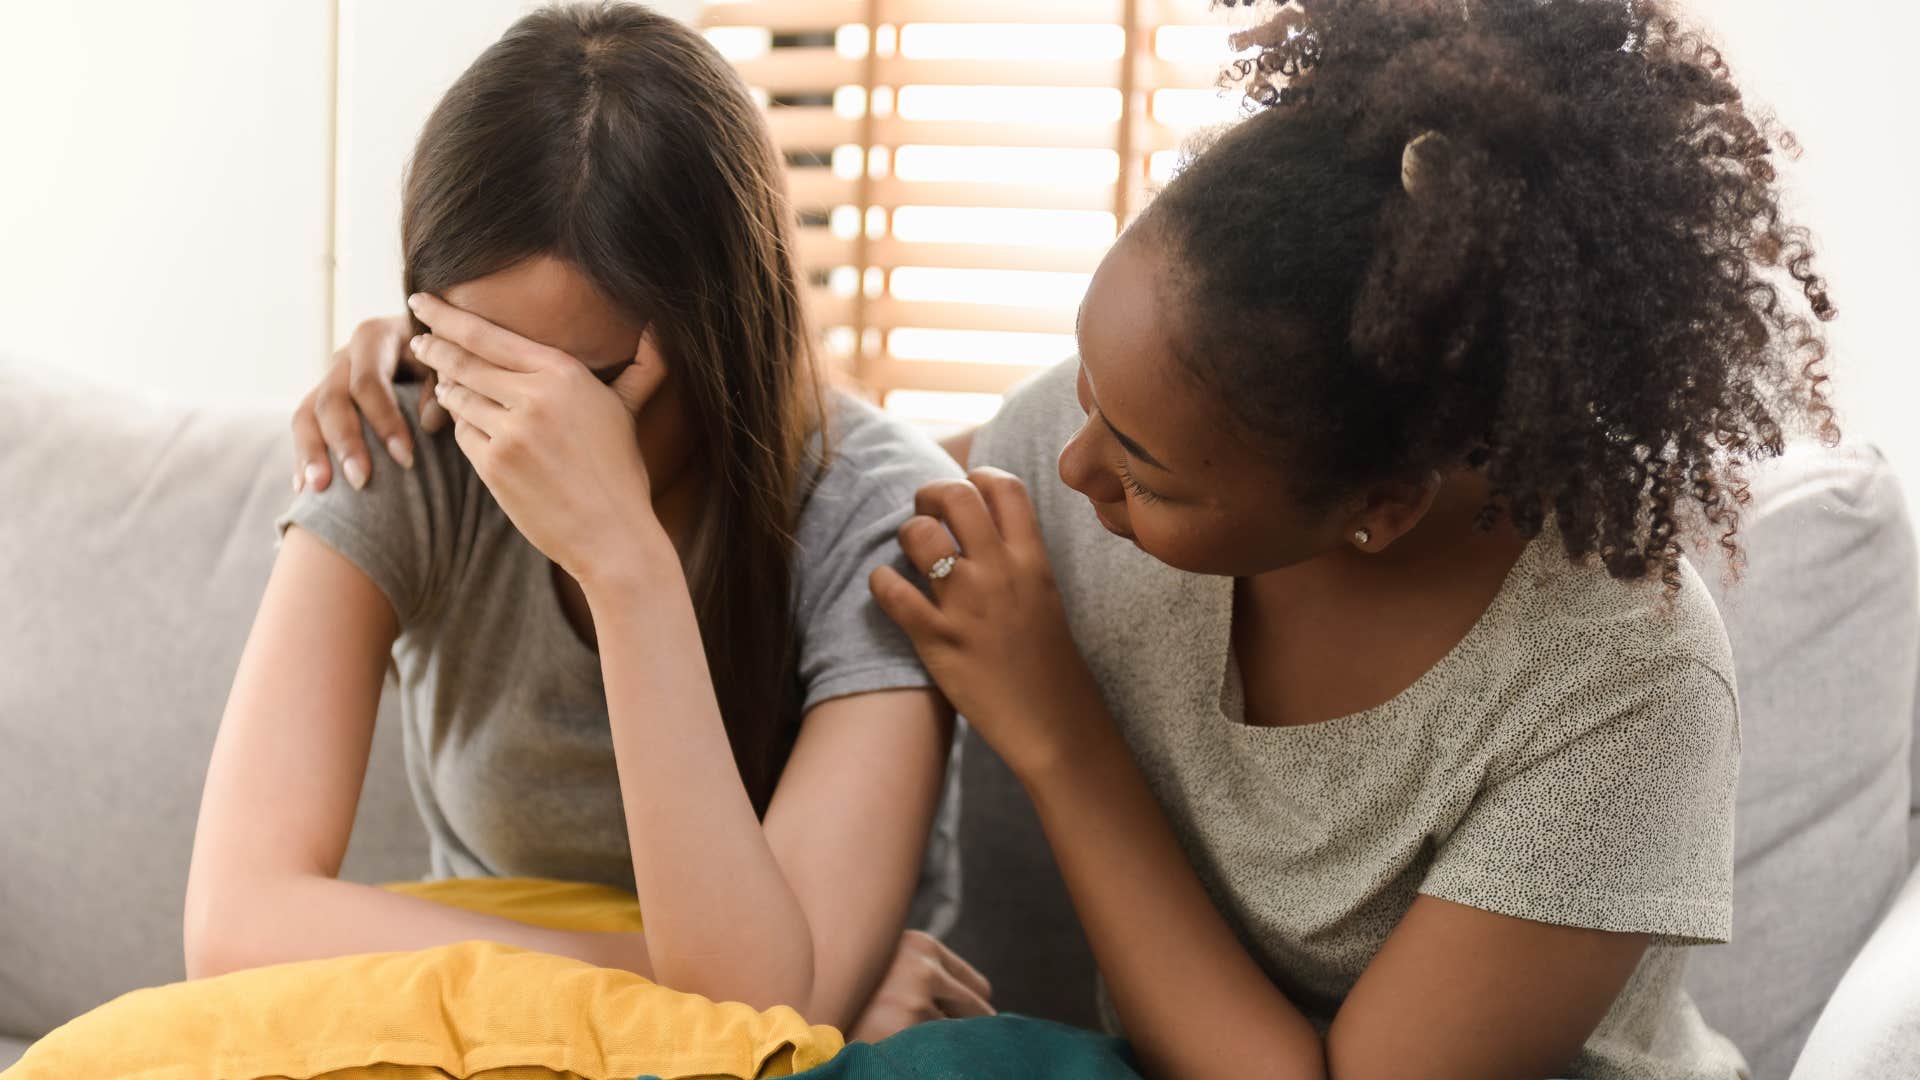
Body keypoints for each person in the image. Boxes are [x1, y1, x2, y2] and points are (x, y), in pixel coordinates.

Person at [306, 0, 1834, 1075]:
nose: (1067, 465)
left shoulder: (1620, 691)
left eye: (1146, 466)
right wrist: (482, 363)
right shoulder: (1076, 443)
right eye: (1082, 389)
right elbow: (820, 476)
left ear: (1374, 510)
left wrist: (1056, 734)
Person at [186, 1, 991, 1038]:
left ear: (725, 331)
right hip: (494, 1043)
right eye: (483, 364)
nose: (525, 433)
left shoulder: (870, 517)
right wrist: (659, 974)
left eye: (592, 384)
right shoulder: (411, 436)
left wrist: (625, 562)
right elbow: (233, 922)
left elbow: (759, 1033)